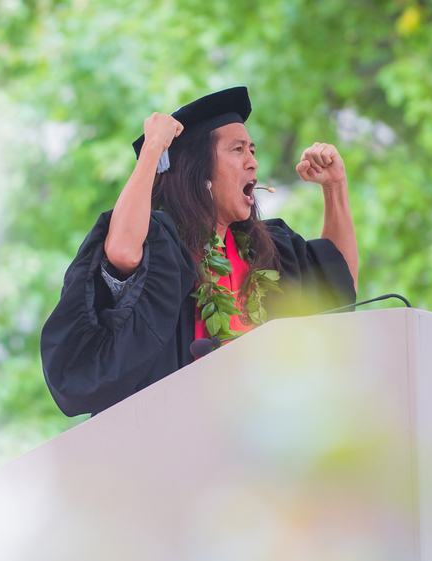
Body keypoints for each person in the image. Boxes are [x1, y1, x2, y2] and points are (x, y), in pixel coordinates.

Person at [41, 87, 358, 416]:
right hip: (166, 433)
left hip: (254, 433)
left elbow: (339, 287)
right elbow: (122, 251)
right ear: (199, 169)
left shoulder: (266, 251)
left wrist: (335, 187)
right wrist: (153, 148)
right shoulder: (162, 246)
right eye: (238, 150)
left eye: (252, 150)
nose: (253, 162)